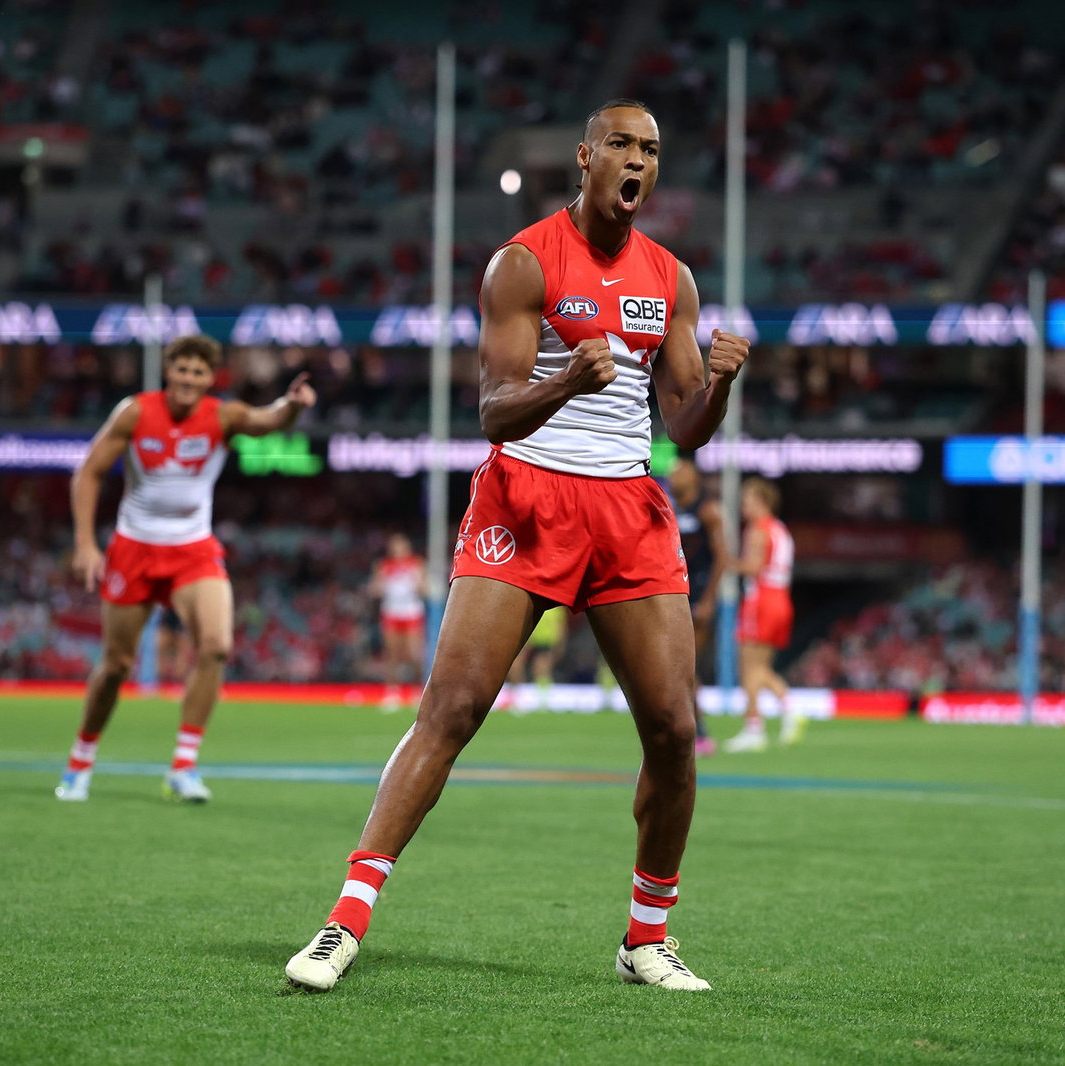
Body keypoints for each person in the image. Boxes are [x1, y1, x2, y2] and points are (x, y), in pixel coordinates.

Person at [285, 99, 750, 992]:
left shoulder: (672, 280)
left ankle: (645, 939)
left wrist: (719, 388)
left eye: (651, 150)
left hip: (627, 508)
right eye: (621, 144)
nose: (637, 161)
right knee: (452, 708)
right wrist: (569, 378)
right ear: (585, 157)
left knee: (674, 732)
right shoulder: (524, 263)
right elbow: (494, 409)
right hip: (526, 494)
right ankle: (345, 919)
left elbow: (688, 429)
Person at [54, 335, 316, 803]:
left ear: (209, 378)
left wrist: (292, 406)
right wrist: (84, 544)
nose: (189, 379)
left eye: (198, 372)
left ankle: (183, 765)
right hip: (134, 547)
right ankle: (80, 761)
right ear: (168, 371)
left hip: (193, 548)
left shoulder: (222, 414)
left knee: (216, 646)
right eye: (182, 369)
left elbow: (266, 420)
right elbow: (88, 471)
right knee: (115, 665)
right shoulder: (134, 411)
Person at [724, 477, 798, 753]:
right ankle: (789, 708)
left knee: (750, 668)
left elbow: (754, 567)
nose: (743, 506)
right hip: (781, 598)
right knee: (762, 668)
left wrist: (728, 564)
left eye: (747, 500)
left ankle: (753, 727)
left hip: (762, 599)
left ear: (761, 501)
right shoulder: (781, 530)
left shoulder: (757, 530)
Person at [668, 455, 731, 756]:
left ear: (694, 477)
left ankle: (699, 732)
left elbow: (722, 556)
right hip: (677, 593)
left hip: (700, 595)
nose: (674, 475)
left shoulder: (707, 510)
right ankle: (686, 727)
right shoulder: (671, 507)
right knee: (676, 666)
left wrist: (709, 601)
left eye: (680, 471)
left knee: (686, 668)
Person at [370, 533, 426, 711]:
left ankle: (418, 691)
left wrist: (419, 583)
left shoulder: (416, 563)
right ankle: (392, 691)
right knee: (392, 653)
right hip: (392, 612)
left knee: (414, 654)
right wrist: (379, 583)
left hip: (411, 612)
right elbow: (375, 590)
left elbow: (425, 588)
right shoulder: (383, 565)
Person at [502, 606, 566, 712]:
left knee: (541, 670)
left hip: (546, 640)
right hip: (529, 638)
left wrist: (559, 644)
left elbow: (561, 627)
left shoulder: (556, 608)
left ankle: (544, 702)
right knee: (515, 665)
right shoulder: (534, 603)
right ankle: (517, 698)